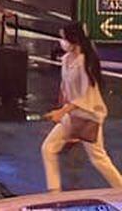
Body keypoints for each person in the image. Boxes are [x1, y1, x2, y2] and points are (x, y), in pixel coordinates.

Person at [41, 21, 122, 191]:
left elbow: (85, 96)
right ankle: (54, 193)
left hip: (88, 117)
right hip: (72, 116)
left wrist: (62, 111)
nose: (61, 41)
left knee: (98, 158)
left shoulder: (86, 63)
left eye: (63, 38)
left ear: (73, 39)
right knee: (48, 148)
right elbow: (65, 87)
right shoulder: (66, 60)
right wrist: (60, 110)